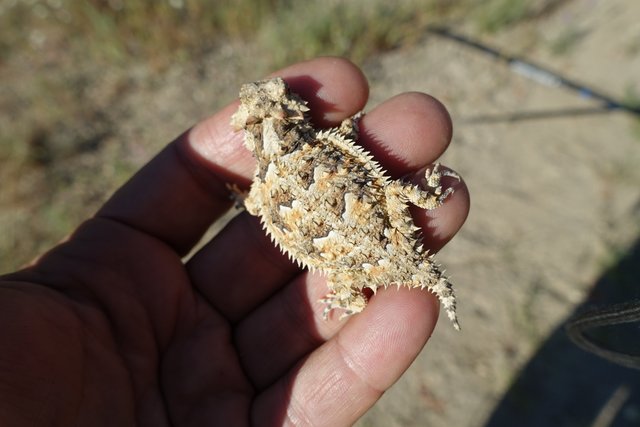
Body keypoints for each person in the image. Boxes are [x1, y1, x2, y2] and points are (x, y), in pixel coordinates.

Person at [0, 57, 469, 426]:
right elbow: (369, 169)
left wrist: (242, 193)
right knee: (381, 188)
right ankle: (413, 215)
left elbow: (257, 206)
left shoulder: (265, 186)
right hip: (376, 237)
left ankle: (352, 294)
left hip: (352, 258)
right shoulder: (328, 144)